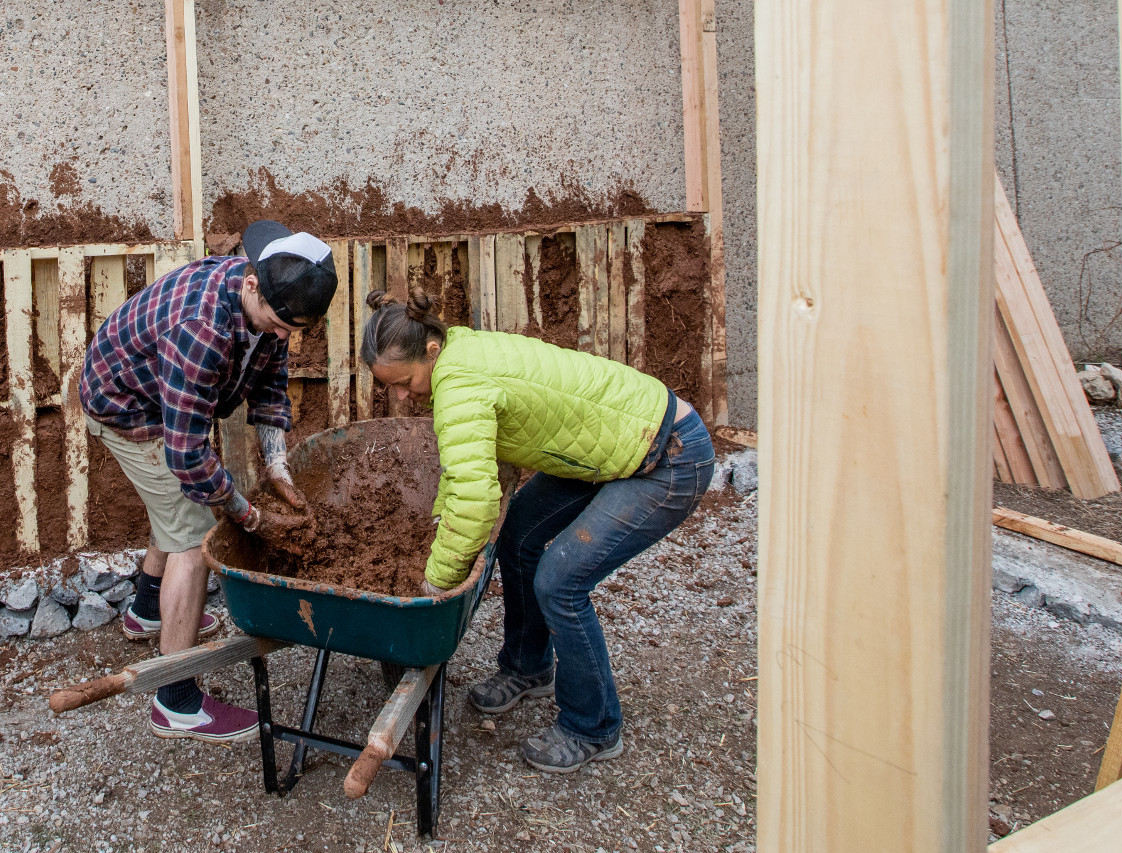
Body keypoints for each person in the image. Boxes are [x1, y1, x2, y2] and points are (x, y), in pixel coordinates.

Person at [360, 291, 714, 775]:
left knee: (560, 582)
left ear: (430, 350)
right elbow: (466, 471)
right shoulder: (459, 350)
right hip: (608, 444)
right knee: (520, 536)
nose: (401, 396)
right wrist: (443, 517)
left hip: (665, 456)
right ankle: (529, 667)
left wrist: (435, 584)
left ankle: (594, 726)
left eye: (402, 383)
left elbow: (476, 499)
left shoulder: (459, 382)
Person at [78, 219, 338, 742]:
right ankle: (175, 700)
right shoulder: (201, 327)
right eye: (280, 323)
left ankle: (148, 612)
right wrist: (247, 515)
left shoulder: (274, 302)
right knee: (197, 535)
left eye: (295, 329)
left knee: (175, 510)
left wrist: (277, 466)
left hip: (161, 401)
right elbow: (187, 455)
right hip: (128, 408)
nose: (286, 336)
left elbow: (270, 385)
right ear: (250, 284)